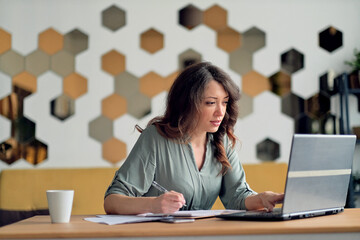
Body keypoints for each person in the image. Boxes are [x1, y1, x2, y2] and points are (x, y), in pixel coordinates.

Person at [104, 62, 284, 215]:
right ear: (187, 103)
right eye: (210, 103)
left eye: (225, 102)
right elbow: (112, 201)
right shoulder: (156, 138)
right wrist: (153, 204)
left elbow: (237, 196)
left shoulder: (221, 141)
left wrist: (262, 198)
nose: (220, 112)